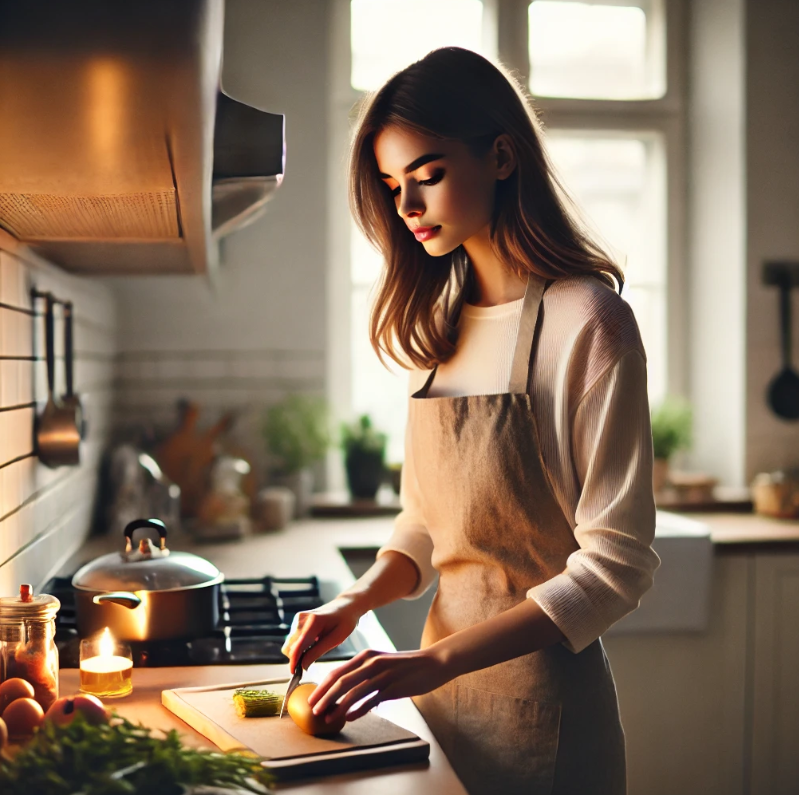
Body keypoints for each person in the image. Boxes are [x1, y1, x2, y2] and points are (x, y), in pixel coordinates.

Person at [281, 47, 660, 795]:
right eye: (393, 187)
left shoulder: (588, 322)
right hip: (434, 703)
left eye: (427, 176)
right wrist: (354, 599)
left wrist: (436, 658)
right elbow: (426, 524)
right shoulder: (441, 325)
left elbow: (616, 566)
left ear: (500, 156)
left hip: (544, 719)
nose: (408, 207)